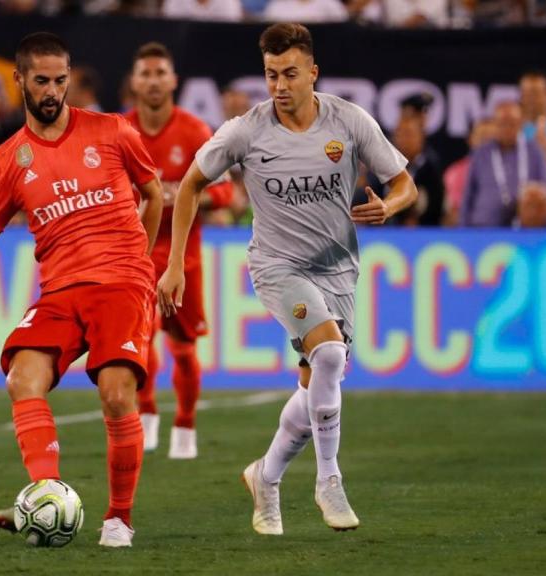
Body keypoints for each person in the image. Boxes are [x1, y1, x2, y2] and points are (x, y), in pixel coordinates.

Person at [157, 23, 416, 535]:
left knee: (317, 382)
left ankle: (266, 475)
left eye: (290, 74)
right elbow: (189, 186)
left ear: (312, 74)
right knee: (329, 353)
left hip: (338, 269)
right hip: (278, 267)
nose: (279, 85)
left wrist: (390, 205)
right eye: (271, 74)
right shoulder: (245, 132)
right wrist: (173, 265)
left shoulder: (348, 121)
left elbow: (404, 183)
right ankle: (329, 480)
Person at [0, 32, 163, 548]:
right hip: (61, 290)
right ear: (18, 80)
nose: (52, 91)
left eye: (60, 81)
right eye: (41, 81)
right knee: (22, 379)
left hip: (120, 284)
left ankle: (118, 519)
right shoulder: (8, 161)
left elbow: (153, 194)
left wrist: (141, 262)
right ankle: (46, 495)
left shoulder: (112, 131)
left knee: (115, 395)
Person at [125, 42, 233, 459]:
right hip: (134, 255)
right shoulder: (121, 130)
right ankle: (147, 413)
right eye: (145, 73)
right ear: (134, 82)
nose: (153, 80)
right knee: (139, 338)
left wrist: (184, 196)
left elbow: (225, 192)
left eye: (160, 73)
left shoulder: (193, 131)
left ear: (173, 80)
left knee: (184, 347)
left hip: (183, 257)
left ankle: (185, 424)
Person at [460, 100, 546, 227]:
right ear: (494, 124)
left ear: (521, 124)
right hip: (484, 229)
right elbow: (468, 195)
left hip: (526, 231)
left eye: (512, 124)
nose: (507, 129)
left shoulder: (535, 152)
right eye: (502, 124)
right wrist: (463, 230)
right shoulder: (480, 153)